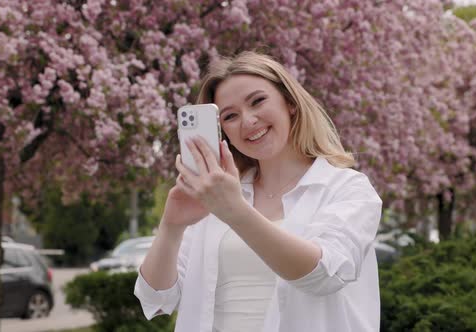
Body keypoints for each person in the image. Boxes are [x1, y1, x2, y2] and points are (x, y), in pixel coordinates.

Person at [134, 51, 382, 332]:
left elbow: (323, 274)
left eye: (258, 101)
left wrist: (235, 211)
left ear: (289, 102)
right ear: (222, 130)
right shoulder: (217, 195)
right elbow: (157, 299)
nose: (248, 121)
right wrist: (171, 227)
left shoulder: (347, 188)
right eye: (230, 116)